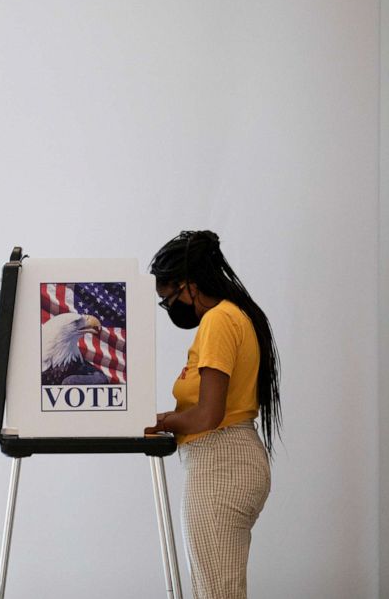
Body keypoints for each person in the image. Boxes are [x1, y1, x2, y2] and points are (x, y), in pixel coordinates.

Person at [144, 230, 282, 599]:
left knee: (216, 594)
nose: (169, 308)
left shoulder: (219, 321)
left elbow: (208, 414)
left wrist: (161, 421)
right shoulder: (237, 315)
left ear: (188, 287)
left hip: (220, 464)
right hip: (233, 460)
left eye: (167, 299)